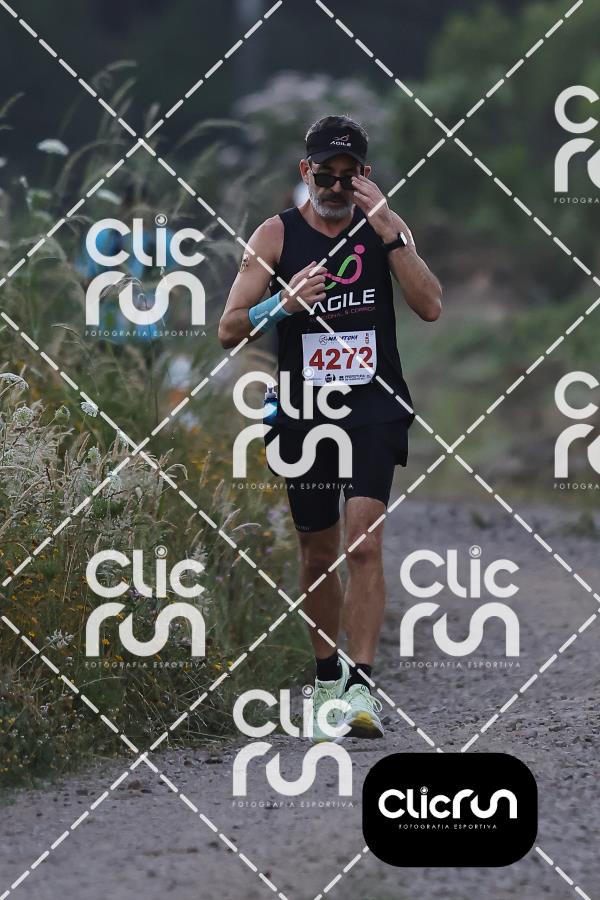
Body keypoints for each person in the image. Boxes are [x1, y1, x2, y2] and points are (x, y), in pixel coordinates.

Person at [219, 115, 442, 740]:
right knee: (317, 551)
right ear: (306, 172)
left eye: (349, 175)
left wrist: (392, 234)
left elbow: (430, 305)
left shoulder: (384, 228)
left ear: (365, 176)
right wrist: (281, 303)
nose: (337, 187)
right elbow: (229, 329)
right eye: (326, 175)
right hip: (303, 411)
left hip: (372, 405)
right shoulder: (275, 235)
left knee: (363, 543)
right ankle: (326, 681)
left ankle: (362, 687)